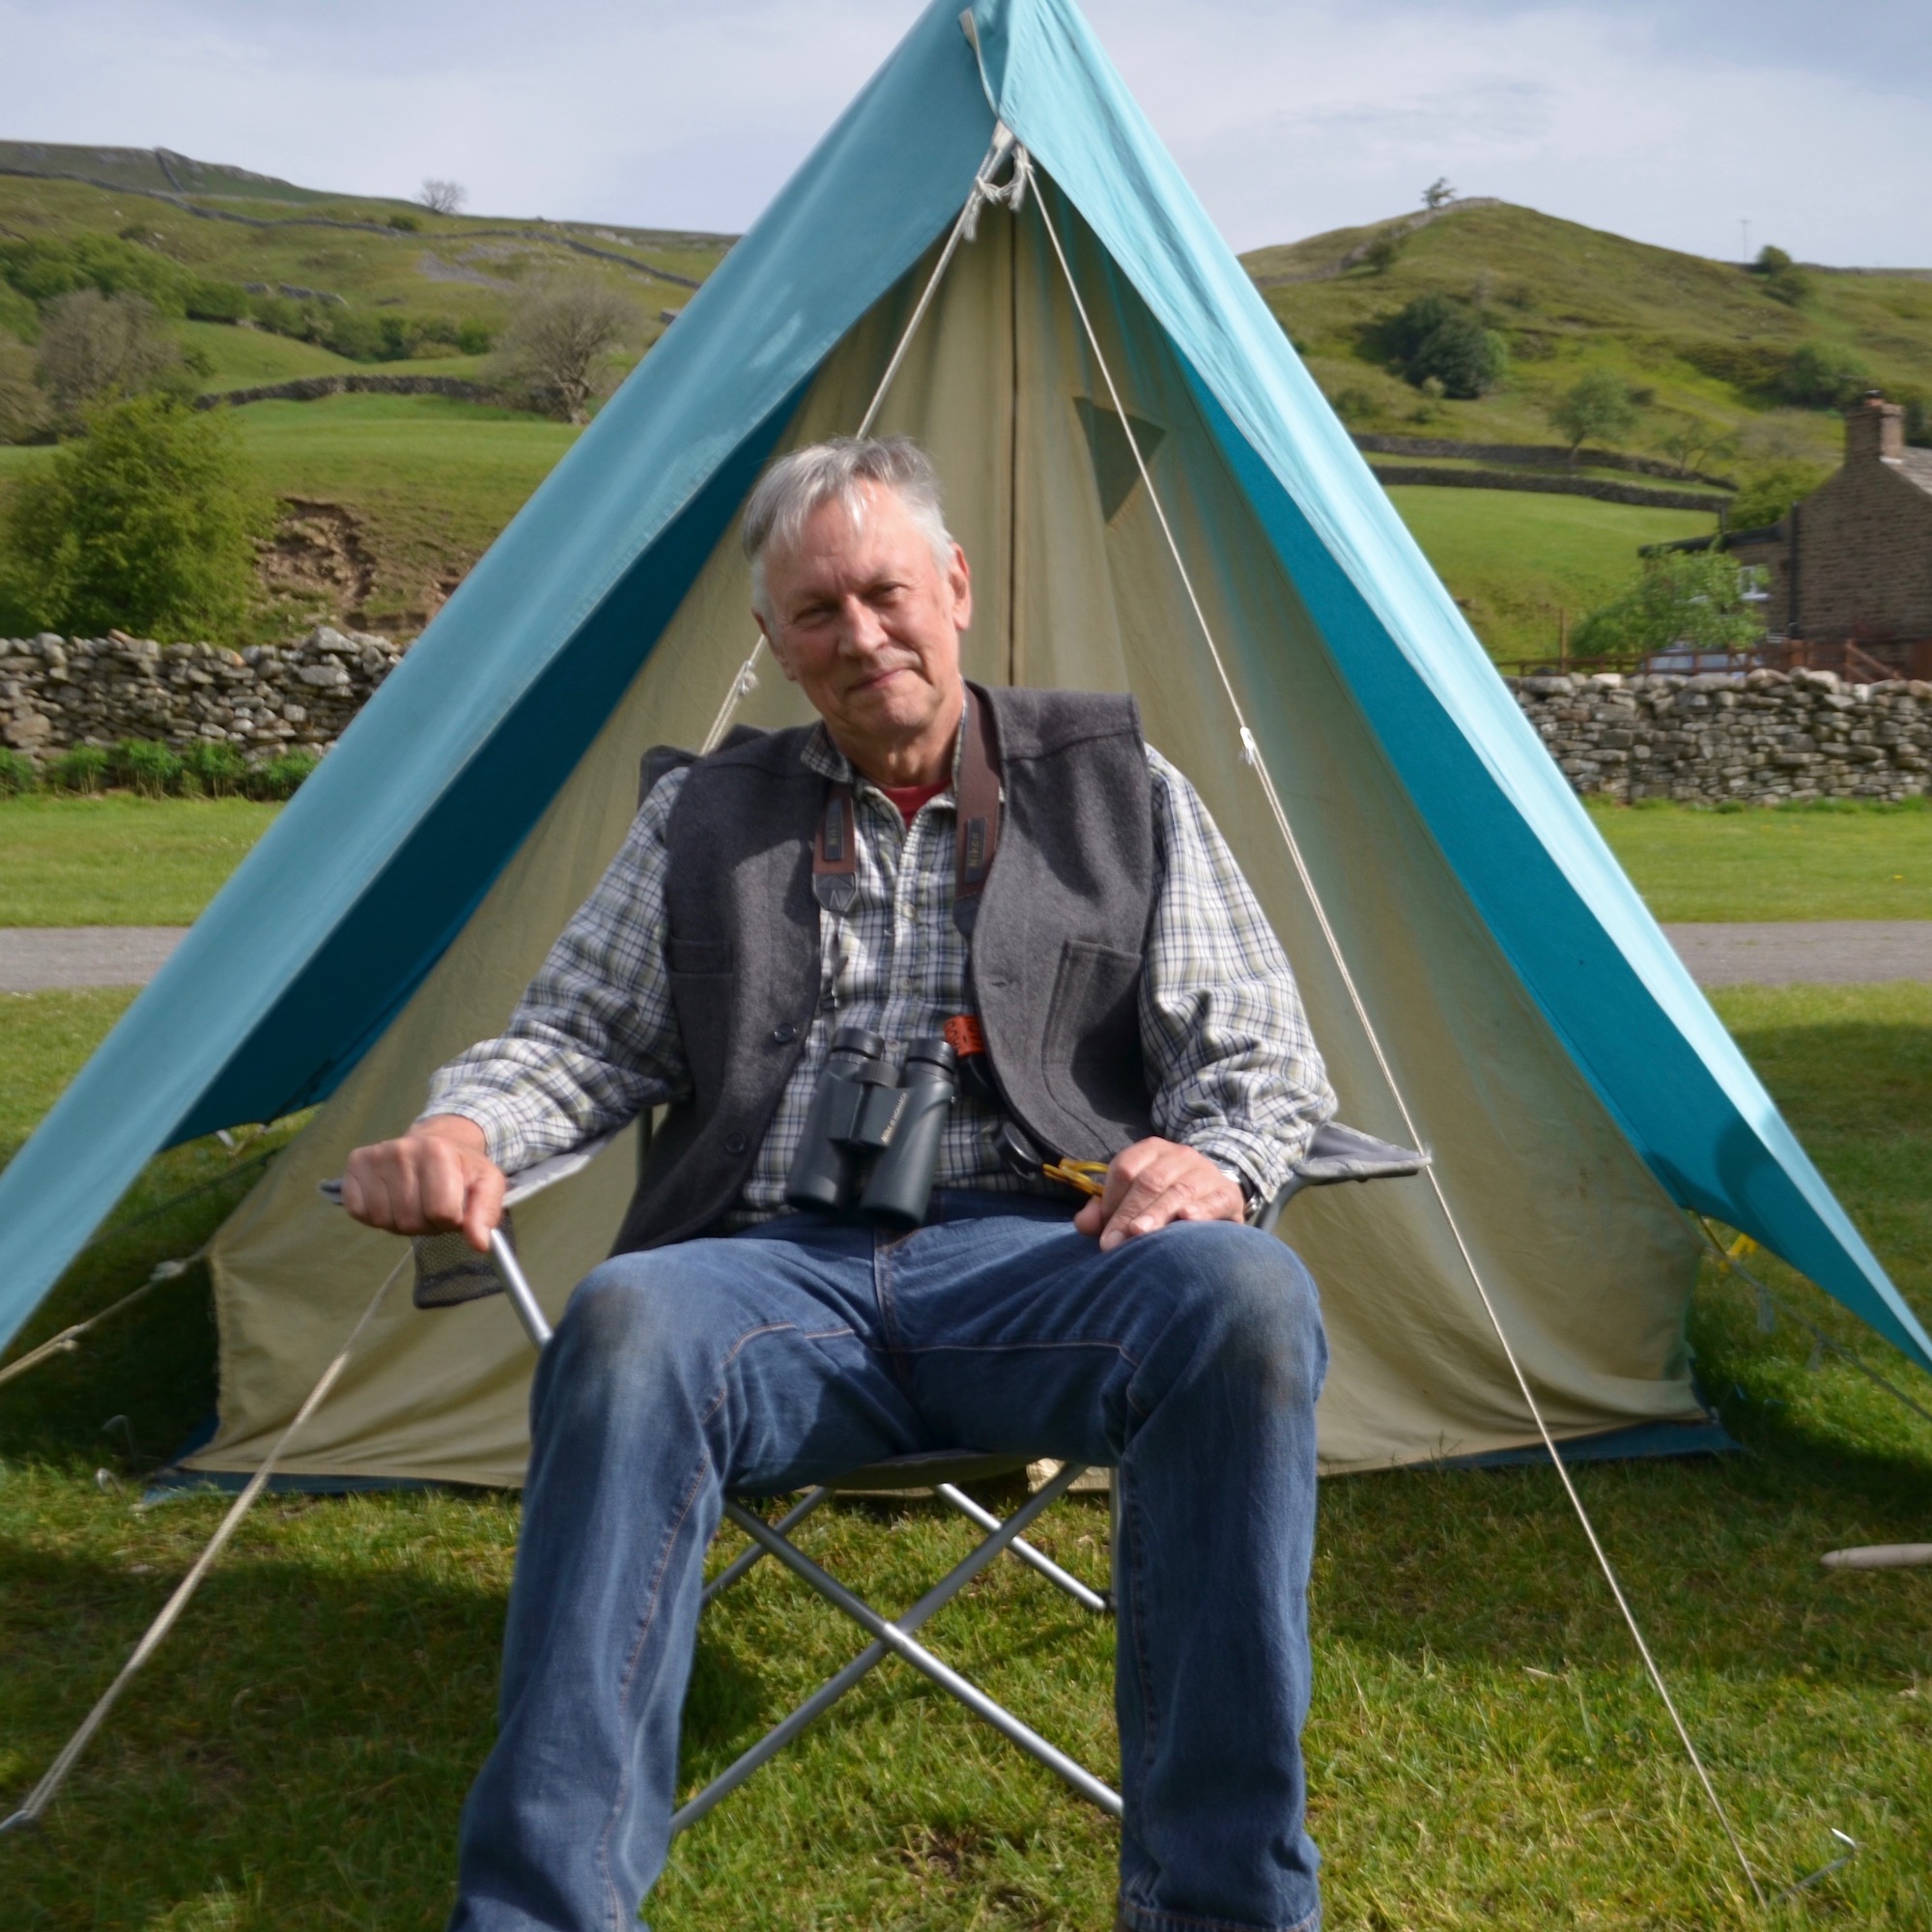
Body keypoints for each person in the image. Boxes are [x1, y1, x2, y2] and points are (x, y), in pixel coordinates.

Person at [343, 435, 1337, 1932]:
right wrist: (467, 1132)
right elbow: (577, 1037)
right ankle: (539, 1916)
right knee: (624, 1321)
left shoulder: (1121, 787)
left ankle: (1220, 1909)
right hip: (770, 1276)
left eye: (886, 592)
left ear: (956, 588)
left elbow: (1257, 1058)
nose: (861, 636)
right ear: (774, 645)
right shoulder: (704, 815)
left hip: (1047, 1260)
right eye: (817, 613)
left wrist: (1214, 1157)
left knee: (1246, 1299)